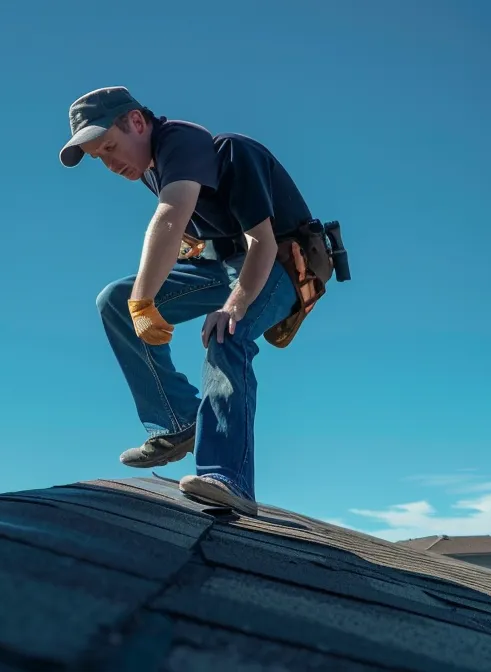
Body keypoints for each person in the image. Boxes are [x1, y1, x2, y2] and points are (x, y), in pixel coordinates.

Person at [59, 86, 316, 517]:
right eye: (98, 158)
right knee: (114, 300)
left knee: (225, 329)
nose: (109, 163)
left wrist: (221, 303)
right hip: (226, 264)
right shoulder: (151, 167)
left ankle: (227, 476)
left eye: (109, 147)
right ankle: (177, 421)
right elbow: (184, 225)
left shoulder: (203, 144)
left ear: (137, 123)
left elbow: (255, 240)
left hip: (279, 262)